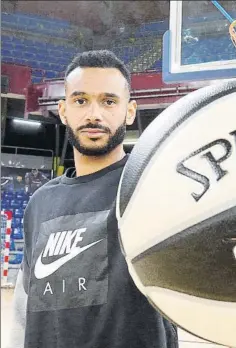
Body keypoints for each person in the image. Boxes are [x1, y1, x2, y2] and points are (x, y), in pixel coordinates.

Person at [7, 50, 179, 348]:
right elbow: (24, 308)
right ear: (63, 110)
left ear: (129, 111)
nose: (94, 114)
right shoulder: (40, 203)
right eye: (80, 100)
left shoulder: (154, 186)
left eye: (109, 101)